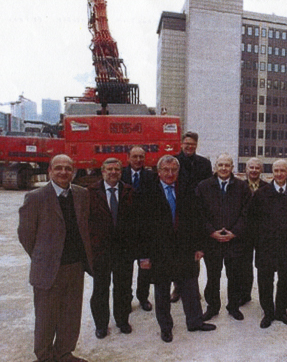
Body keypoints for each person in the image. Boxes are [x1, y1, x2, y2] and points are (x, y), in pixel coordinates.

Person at [18, 154, 94, 362]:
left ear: (74, 172)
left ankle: (63, 355)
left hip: (75, 266)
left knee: (71, 315)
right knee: (46, 318)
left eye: (68, 168)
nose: (63, 172)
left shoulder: (82, 195)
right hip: (49, 269)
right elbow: (26, 235)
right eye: (58, 168)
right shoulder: (36, 197)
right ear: (50, 171)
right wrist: (42, 257)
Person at [139, 155, 216, 343]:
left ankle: (195, 321)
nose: (170, 173)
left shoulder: (187, 190)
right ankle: (166, 327)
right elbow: (140, 227)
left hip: (185, 249)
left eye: (174, 170)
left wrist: (199, 247)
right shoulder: (147, 193)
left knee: (190, 287)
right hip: (160, 252)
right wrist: (143, 256)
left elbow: (195, 220)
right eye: (166, 170)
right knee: (162, 292)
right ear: (159, 172)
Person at [196, 154, 251, 321]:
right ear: (215, 167)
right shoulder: (203, 186)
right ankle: (212, 307)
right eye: (220, 165)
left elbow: (247, 213)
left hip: (234, 241)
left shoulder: (242, 187)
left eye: (227, 165)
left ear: (232, 167)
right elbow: (199, 213)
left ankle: (233, 306)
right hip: (212, 241)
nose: (224, 168)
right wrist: (211, 232)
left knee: (234, 276)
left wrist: (234, 232)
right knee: (213, 276)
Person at [250, 159, 287, 328]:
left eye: (283, 170)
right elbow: (254, 220)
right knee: (265, 280)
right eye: (276, 170)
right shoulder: (261, 193)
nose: (279, 174)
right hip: (266, 246)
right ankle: (268, 312)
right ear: (272, 172)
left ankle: (281, 311)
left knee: (286, 280)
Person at [89, 158, 137, 339]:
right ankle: (101, 324)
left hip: (124, 251)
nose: (113, 172)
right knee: (100, 288)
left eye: (117, 169)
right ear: (102, 171)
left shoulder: (129, 191)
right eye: (109, 169)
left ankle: (122, 320)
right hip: (101, 251)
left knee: (123, 288)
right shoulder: (91, 192)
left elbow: (136, 222)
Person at [171, 131, 213, 303]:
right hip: (177, 213)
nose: (189, 146)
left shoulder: (204, 163)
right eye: (186, 143)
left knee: (194, 253)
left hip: (196, 214)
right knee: (176, 253)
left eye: (192, 144)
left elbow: (208, 188)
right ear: (181, 144)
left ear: (196, 145)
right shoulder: (173, 161)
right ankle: (177, 287)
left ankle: (192, 288)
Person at [121, 146, 156, 311]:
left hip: (146, 232)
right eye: (134, 157)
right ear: (128, 158)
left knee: (145, 269)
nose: (138, 160)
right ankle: (126, 300)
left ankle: (143, 297)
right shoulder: (120, 174)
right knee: (126, 270)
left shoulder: (151, 176)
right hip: (126, 233)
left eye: (141, 157)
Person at [241, 157, 268, 306]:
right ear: (246, 169)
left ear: (261, 170)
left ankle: (264, 296)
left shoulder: (267, 187)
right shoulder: (240, 186)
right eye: (251, 167)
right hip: (244, 232)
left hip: (262, 233)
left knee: (262, 265)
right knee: (244, 265)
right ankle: (245, 294)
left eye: (257, 168)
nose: (254, 170)